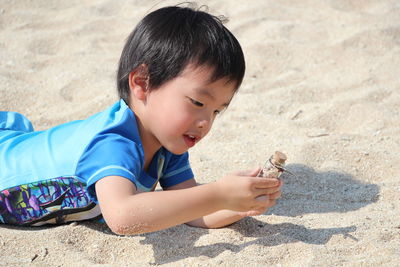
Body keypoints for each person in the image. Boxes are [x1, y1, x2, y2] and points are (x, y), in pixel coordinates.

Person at [0, 5, 282, 235]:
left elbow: (192, 211)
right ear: (143, 83)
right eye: (197, 102)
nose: (205, 121)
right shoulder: (114, 142)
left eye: (216, 111)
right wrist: (217, 193)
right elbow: (123, 216)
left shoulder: (167, 146)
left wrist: (239, 204)